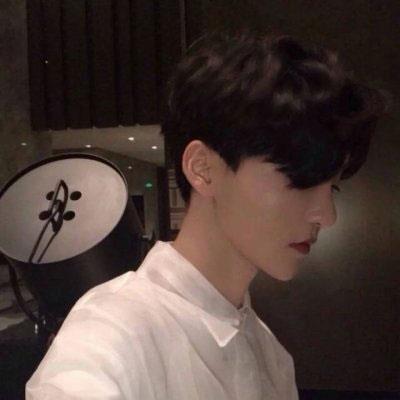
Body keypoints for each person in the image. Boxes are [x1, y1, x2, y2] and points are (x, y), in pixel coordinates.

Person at [26, 28, 388, 399]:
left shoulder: (270, 354)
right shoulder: (110, 337)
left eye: (332, 188)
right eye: (301, 180)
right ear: (203, 168)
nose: (327, 216)